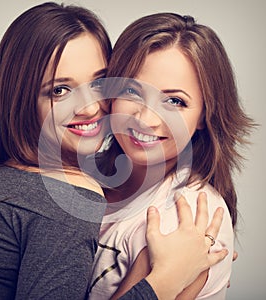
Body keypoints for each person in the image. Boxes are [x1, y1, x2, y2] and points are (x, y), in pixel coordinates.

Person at [0, 3, 228, 300]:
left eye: (99, 83)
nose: (91, 108)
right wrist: (164, 282)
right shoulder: (64, 196)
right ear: (23, 100)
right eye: (59, 91)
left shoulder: (8, 178)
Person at [89, 12, 255, 299]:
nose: (146, 118)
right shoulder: (84, 173)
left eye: (175, 101)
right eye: (132, 90)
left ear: (205, 115)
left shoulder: (183, 220)